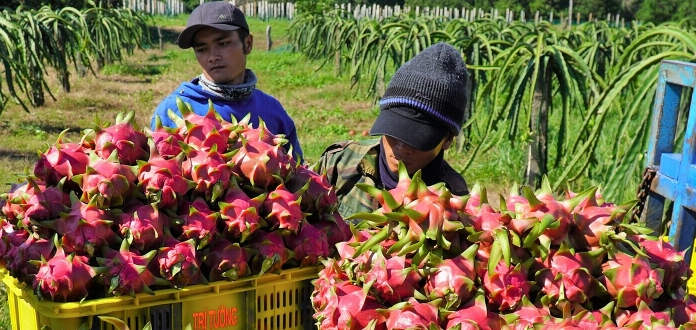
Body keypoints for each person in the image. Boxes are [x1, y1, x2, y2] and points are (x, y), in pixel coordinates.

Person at [316, 42, 470, 217]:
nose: (402, 148)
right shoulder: (339, 162)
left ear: (448, 140)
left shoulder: (454, 204)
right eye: (395, 130)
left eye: (418, 138)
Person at [152, 1, 303, 160]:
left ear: (248, 44)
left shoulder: (272, 110)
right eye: (201, 49)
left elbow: (297, 176)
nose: (213, 56)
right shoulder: (173, 111)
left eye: (223, 43)